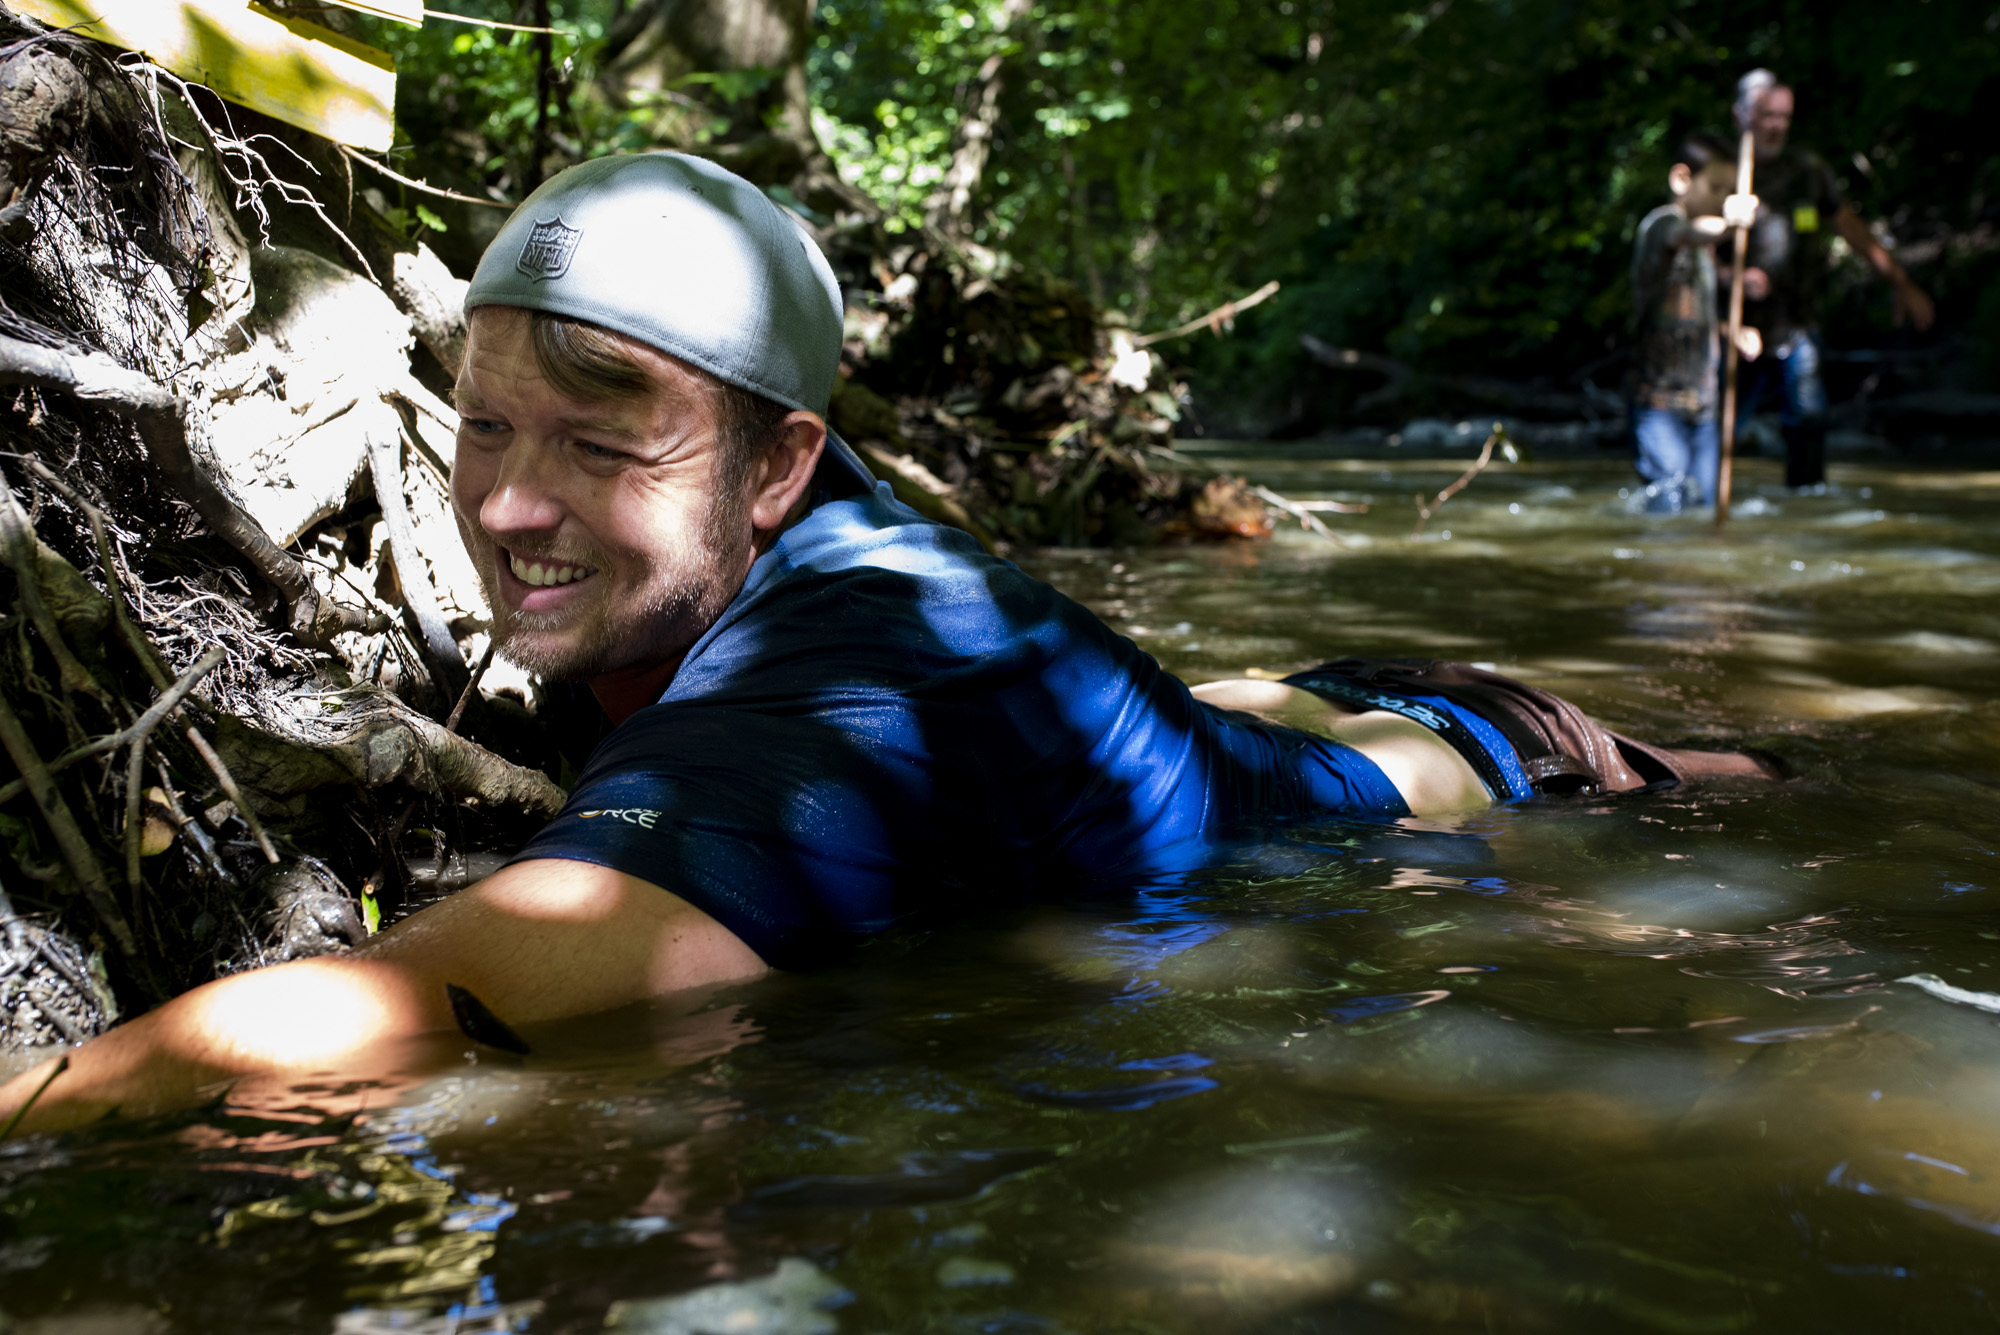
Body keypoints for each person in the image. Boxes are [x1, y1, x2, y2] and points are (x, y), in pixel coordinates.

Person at [0, 154, 1773, 1133]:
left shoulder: (847, 677)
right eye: (485, 425)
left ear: (781, 463)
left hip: (1496, 759)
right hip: (1290, 714)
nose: (513, 508)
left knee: (1768, 795)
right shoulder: (767, 516)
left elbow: (449, 997)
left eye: (605, 439)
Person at [1731, 70, 1935, 490]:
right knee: (1723, 429)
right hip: (1736, 328)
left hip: (1797, 323)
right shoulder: (1720, 174)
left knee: (1807, 422)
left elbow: (1851, 228)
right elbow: (1686, 249)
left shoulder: (1808, 172)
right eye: (1766, 115)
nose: (1776, 126)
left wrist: (1901, 282)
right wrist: (1731, 276)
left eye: (1784, 116)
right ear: (1742, 115)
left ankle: (1803, 509)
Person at [1630, 132, 1761, 513]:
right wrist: (1727, 224)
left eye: (1727, 190)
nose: (1721, 197)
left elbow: (1693, 317)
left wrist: (1732, 331)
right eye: (1715, 187)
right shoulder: (1661, 226)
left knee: (1704, 504)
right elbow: (1684, 234)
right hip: (1658, 404)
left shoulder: (1704, 254)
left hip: (1703, 406)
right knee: (1669, 499)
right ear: (1681, 180)